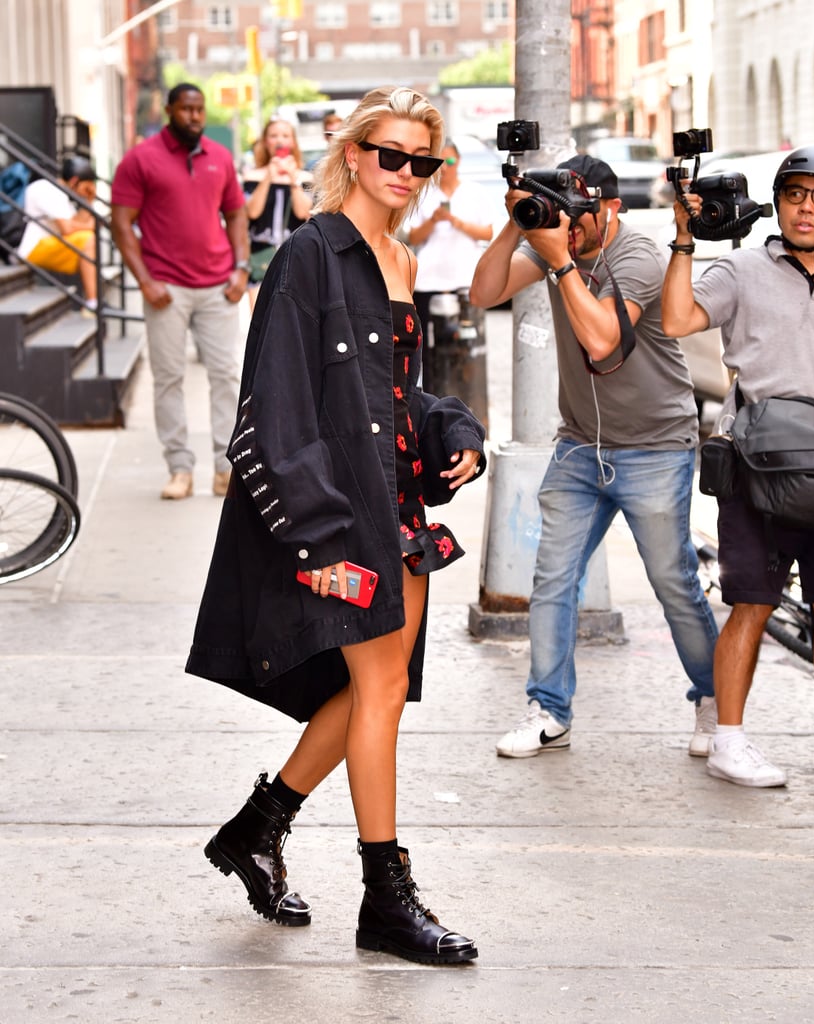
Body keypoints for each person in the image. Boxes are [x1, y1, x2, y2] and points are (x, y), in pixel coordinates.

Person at [185, 86, 485, 964]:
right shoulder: (309, 255)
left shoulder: (398, 258)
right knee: (379, 694)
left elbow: (393, 396)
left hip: (397, 504)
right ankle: (385, 897)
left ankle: (257, 826)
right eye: (389, 154)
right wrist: (315, 541)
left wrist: (451, 427)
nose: (405, 173)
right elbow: (273, 406)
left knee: (369, 693)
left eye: (421, 161)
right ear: (353, 153)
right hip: (341, 513)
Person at [469, 154, 719, 759]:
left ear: (612, 207)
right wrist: (519, 225)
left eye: (579, 215)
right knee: (552, 579)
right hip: (581, 444)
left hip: (656, 447)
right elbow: (484, 291)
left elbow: (604, 339)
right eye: (562, 215)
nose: (569, 227)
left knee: (673, 581)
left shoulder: (638, 257)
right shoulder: (556, 241)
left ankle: (716, 704)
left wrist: (558, 261)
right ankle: (548, 710)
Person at [661, 143, 814, 787]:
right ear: (779, 203)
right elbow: (677, 318)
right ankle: (728, 741)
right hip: (756, 468)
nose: (807, 209)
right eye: (796, 195)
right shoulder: (740, 269)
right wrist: (684, 240)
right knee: (751, 606)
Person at [110, 83, 249, 501]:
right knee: (168, 379)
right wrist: (145, 281)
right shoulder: (141, 159)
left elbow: (236, 214)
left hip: (217, 286)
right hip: (165, 289)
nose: (194, 116)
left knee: (227, 376)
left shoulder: (220, 157)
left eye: (200, 109)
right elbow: (121, 223)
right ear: (170, 110)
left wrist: (241, 268)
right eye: (186, 109)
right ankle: (179, 469)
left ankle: (226, 470)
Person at [406, 139, 493, 393]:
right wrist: (434, 220)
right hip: (429, 279)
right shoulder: (424, 194)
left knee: (468, 342)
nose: (446, 168)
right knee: (426, 342)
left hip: (465, 278)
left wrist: (455, 221)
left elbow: (487, 232)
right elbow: (414, 237)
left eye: (451, 161)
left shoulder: (474, 192)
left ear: (459, 161)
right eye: (441, 162)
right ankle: (428, 392)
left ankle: (466, 394)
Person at [242, 117, 313, 309]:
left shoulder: (305, 178)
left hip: (296, 255)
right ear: (266, 142)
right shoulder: (253, 176)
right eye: (274, 136)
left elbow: (304, 212)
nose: (280, 140)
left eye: (285, 135)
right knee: (259, 319)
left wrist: (292, 180)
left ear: (293, 142)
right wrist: (268, 176)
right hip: (262, 256)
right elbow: (252, 212)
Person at [16, 156, 98, 314]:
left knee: (88, 238)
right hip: (33, 248)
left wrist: (89, 201)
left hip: (46, 244)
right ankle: (92, 302)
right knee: (89, 239)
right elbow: (67, 228)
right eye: (86, 188)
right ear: (74, 181)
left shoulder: (61, 194)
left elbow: (76, 222)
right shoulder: (49, 190)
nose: (86, 192)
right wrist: (89, 226)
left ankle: (93, 300)